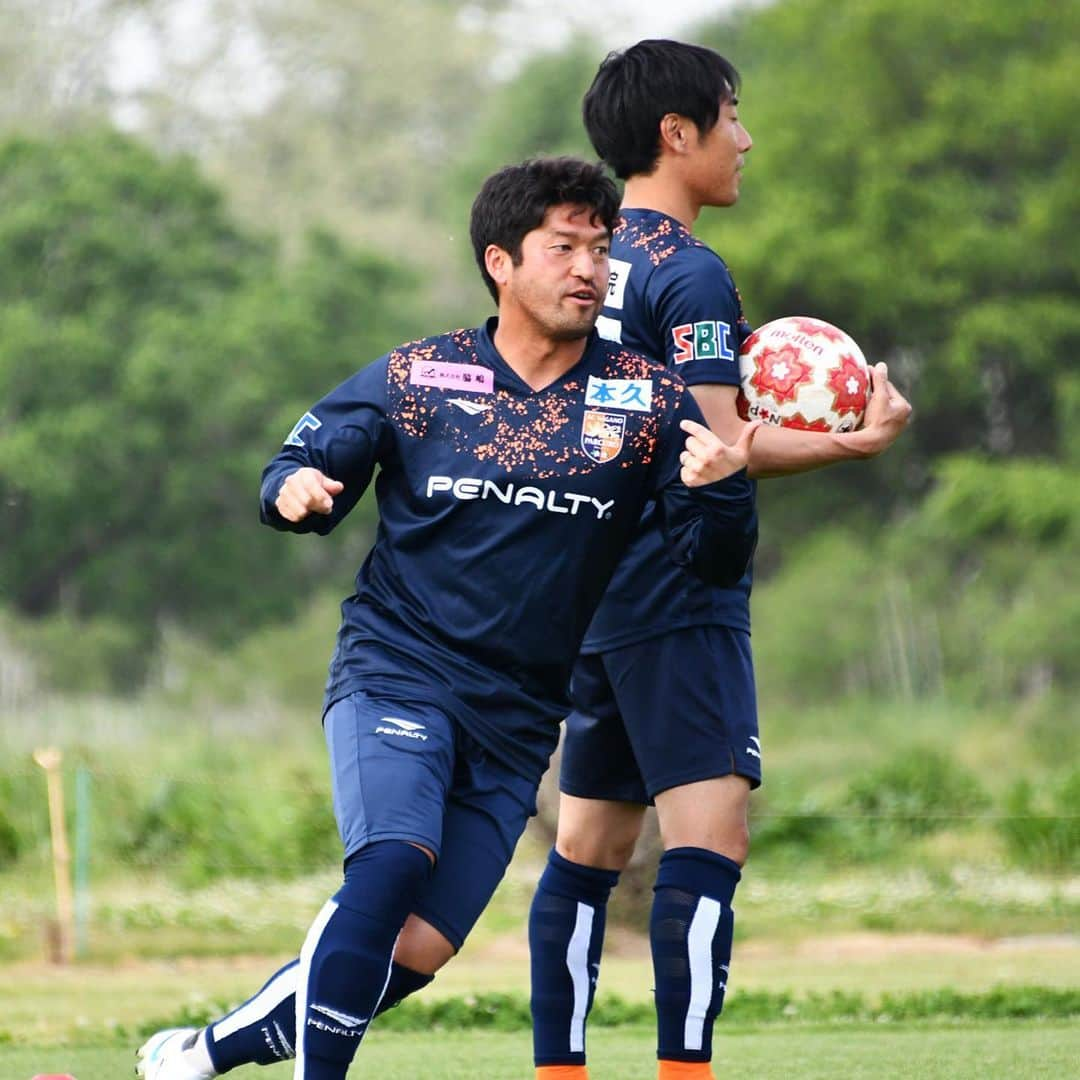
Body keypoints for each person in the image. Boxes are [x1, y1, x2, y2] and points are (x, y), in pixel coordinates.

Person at [135, 155, 762, 1080]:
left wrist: (722, 490)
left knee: (418, 950)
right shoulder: (421, 377)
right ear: (500, 262)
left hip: (517, 718)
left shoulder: (646, 402)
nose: (588, 268)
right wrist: (295, 490)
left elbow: (712, 558)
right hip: (399, 669)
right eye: (564, 248)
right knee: (390, 865)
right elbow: (301, 461)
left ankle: (206, 1051)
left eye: (599, 248)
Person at [528, 41, 913, 1080]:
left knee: (587, 852)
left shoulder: (586, 262)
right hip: (675, 591)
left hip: (586, 595)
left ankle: (557, 1071)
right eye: (733, 116)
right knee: (710, 845)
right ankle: (684, 1074)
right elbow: (719, 448)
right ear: (677, 133)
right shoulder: (688, 272)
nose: (746, 139)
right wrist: (853, 439)